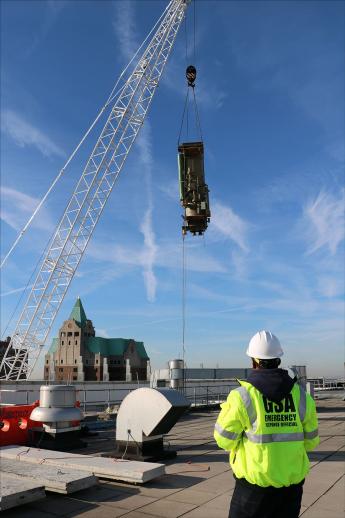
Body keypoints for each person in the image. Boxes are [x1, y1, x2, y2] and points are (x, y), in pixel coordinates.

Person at [214, 330, 319, 518]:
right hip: (291, 488)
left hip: (253, 490)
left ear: (254, 361)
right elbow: (311, 441)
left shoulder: (242, 397)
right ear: (278, 360)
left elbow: (224, 440)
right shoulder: (302, 397)